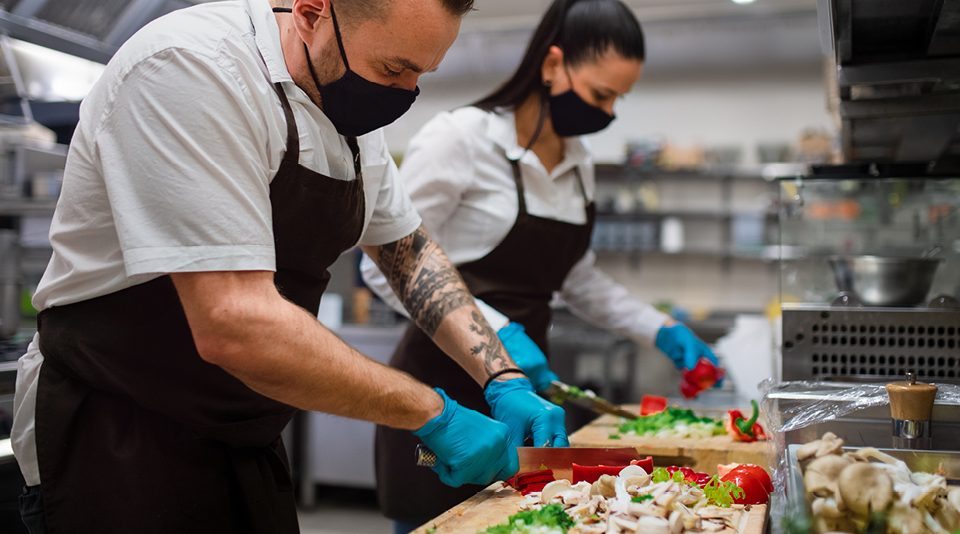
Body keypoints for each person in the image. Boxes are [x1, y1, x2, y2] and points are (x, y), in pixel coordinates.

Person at [10, 0, 568, 532]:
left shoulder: (346, 107)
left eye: (420, 74)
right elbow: (234, 322)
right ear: (309, 13)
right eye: (394, 68)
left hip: (240, 433)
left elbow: (409, 255)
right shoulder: (193, 69)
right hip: (113, 436)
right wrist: (432, 412)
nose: (406, 92)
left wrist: (501, 375)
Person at [361, 0, 726, 530]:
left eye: (617, 100)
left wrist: (663, 329)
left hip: (524, 394)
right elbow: (385, 267)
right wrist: (501, 331)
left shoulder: (579, 166)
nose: (606, 111)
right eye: (600, 94)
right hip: (442, 388)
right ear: (552, 65)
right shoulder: (462, 139)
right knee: (438, 522)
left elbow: (575, 276)